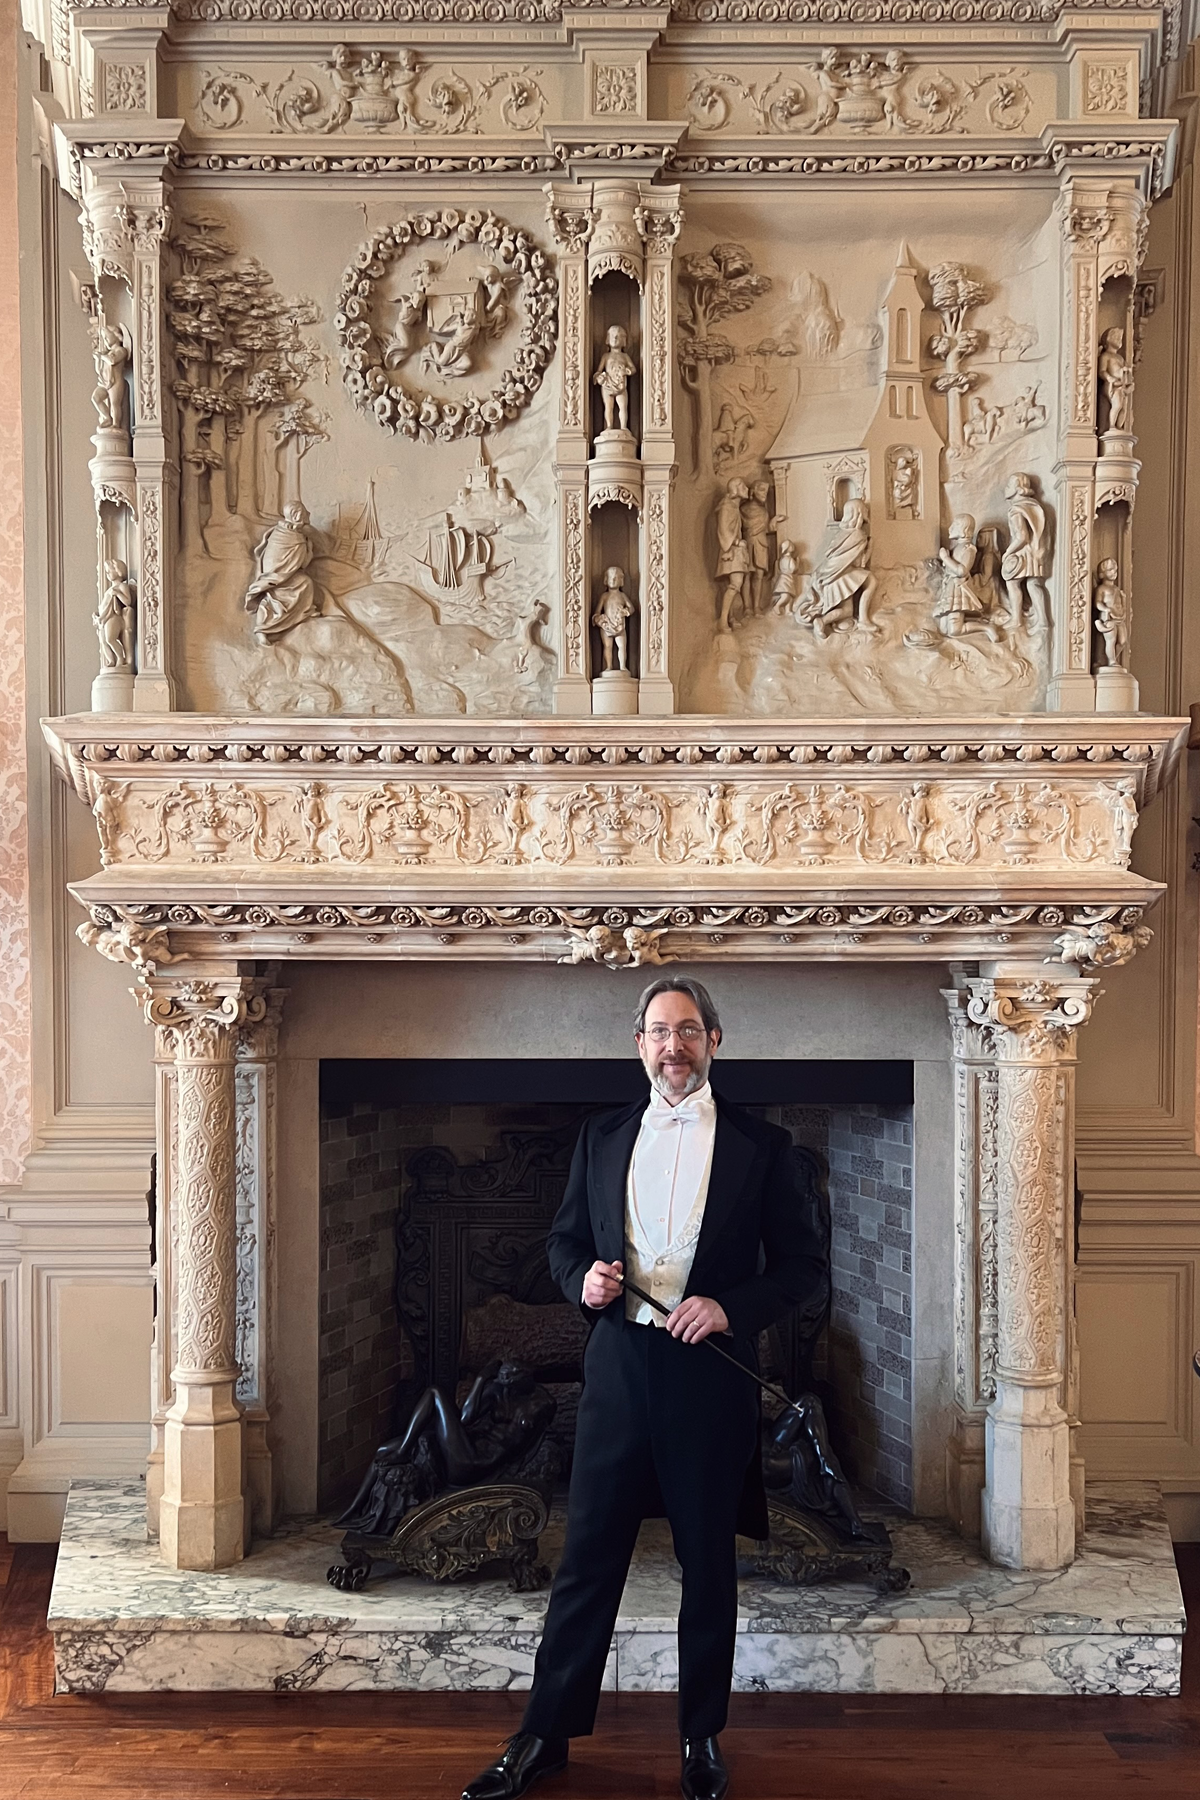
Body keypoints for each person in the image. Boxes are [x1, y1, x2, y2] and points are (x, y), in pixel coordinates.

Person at [460, 977, 826, 1800]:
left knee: (707, 1562)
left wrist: (729, 1306)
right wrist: (580, 1283)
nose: (674, 1046)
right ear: (639, 1044)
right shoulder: (599, 1135)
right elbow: (559, 1243)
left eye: (689, 1031)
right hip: (618, 1374)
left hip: (709, 1377)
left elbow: (805, 1270)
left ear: (715, 1041)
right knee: (587, 1559)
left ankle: (701, 1737)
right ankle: (543, 1734)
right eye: (659, 1031)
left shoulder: (762, 1147)